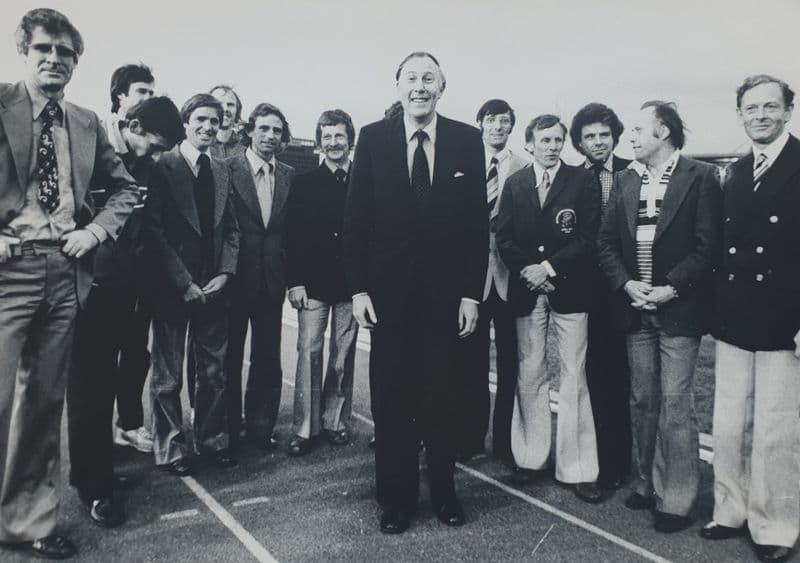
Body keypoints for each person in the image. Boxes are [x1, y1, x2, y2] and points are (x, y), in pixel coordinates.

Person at [0, 8, 139, 559]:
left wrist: (97, 231)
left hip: (64, 272)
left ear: (76, 62)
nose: (54, 60)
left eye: (65, 53)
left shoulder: (83, 122)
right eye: (43, 50)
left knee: (41, 406)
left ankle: (26, 521)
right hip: (8, 273)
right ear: (24, 53)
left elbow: (126, 189)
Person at [343, 51, 487, 534]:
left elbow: (475, 228)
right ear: (398, 86)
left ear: (442, 87)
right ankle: (396, 499)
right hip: (388, 300)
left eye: (429, 78)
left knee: (442, 398)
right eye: (411, 78)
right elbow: (356, 221)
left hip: (446, 301)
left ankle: (445, 494)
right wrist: (359, 289)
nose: (420, 86)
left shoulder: (467, 140)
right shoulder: (373, 138)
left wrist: (471, 294)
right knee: (392, 400)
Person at [597, 101, 722, 533]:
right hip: (637, 309)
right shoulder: (626, 180)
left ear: (663, 132)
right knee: (643, 401)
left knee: (675, 405)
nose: (628, 138)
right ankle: (646, 483)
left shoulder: (701, 177)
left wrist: (670, 287)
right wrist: (627, 284)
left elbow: (708, 246)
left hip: (677, 308)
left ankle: (678, 498)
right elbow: (606, 243)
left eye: (636, 130)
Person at [67, 96, 183, 528]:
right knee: (89, 388)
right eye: (152, 146)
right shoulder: (93, 151)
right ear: (131, 125)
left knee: (108, 382)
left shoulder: (143, 163)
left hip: (123, 290)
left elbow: (139, 228)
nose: (154, 157)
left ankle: (97, 472)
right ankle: (94, 489)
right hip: (87, 287)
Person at [702, 75, 799, 563]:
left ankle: (776, 524)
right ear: (739, 113)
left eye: (770, 107)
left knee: (777, 427)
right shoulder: (737, 172)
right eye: (751, 108)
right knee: (728, 422)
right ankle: (730, 509)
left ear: (789, 111)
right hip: (735, 318)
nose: (760, 115)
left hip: (785, 319)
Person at [495, 114, 602, 503]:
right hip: (527, 290)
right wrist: (529, 271)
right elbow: (503, 238)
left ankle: (577, 468)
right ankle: (529, 458)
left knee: (574, 375)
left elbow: (589, 236)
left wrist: (549, 268)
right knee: (530, 372)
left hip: (570, 290)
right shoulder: (515, 183)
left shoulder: (581, 181)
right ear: (530, 143)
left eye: (558, 140)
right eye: (545, 140)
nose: (552, 146)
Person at [142, 93, 240, 476]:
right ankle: (170, 448)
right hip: (173, 287)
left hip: (213, 288)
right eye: (200, 119)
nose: (208, 127)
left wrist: (225, 274)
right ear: (185, 123)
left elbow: (231, 229)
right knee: (168, 375)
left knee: (214, 372)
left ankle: (211, 440)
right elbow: (154, 231)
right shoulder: (162, 166)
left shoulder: (221, 169)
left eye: (214, 121)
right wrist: (183, 282)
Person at [458, 98, 527, 464]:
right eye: (491, 120)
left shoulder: (523, 167)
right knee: (471, 364)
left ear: (511, 127)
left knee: (511, 365)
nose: (497, 127)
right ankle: (471, 436)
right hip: (473, 280)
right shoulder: (464, 162)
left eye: (504, 121)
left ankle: (504, 440)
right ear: (480, 124)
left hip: (510, 278)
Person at [286, 109, 359, 455]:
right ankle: (305, 428)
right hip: (313, 285)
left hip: (350, 286)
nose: (333, 143)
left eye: (339, 136)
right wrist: (295, 281)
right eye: (327, 137)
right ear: (319, 142)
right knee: (309, 352)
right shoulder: (303, 183)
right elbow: (292, 237)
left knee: (342, 358)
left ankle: (334, 421)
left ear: (350, 140)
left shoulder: (362, 182)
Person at [568, 102, 632, 490]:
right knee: (591, 376)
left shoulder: (632, 172)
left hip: (623, 291)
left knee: (623, 380)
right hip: (583, 292)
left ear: (615, 137)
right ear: (578, 142)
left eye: (604, 135)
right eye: (589, 136)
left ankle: (619, 465)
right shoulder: (572, 179)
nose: (598, 142)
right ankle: (596, 462)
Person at [225, 103, 293, 451]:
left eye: (277, 131)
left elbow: (292, 233)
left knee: (268, 358)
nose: (270, 136)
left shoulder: (288, 175)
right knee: (229, 356)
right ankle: (227, 428)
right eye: (264, 128)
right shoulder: (227, 168)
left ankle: (260, 427)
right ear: (249, 130)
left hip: (272, 281)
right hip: (234, 280)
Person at [209, 84, 245, 160]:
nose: (225, 109)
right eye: (219, 104)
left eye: (230, 105)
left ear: (237, 111)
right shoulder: (199, 146)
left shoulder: (247, 147)